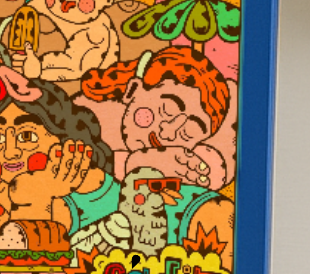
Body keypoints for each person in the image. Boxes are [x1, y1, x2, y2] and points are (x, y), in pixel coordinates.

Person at [81, 45, 235, 189]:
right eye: (167, 111)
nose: (168, 134)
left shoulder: (184, 164)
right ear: (133, 89)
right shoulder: (89, 115)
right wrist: (137, 164)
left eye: (188, 132)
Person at [0, 83, 119, 235]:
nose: (10, 153)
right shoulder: (4, 192)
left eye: (26, 136)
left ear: (63, 139)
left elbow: (33, 245)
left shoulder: (65, 203)